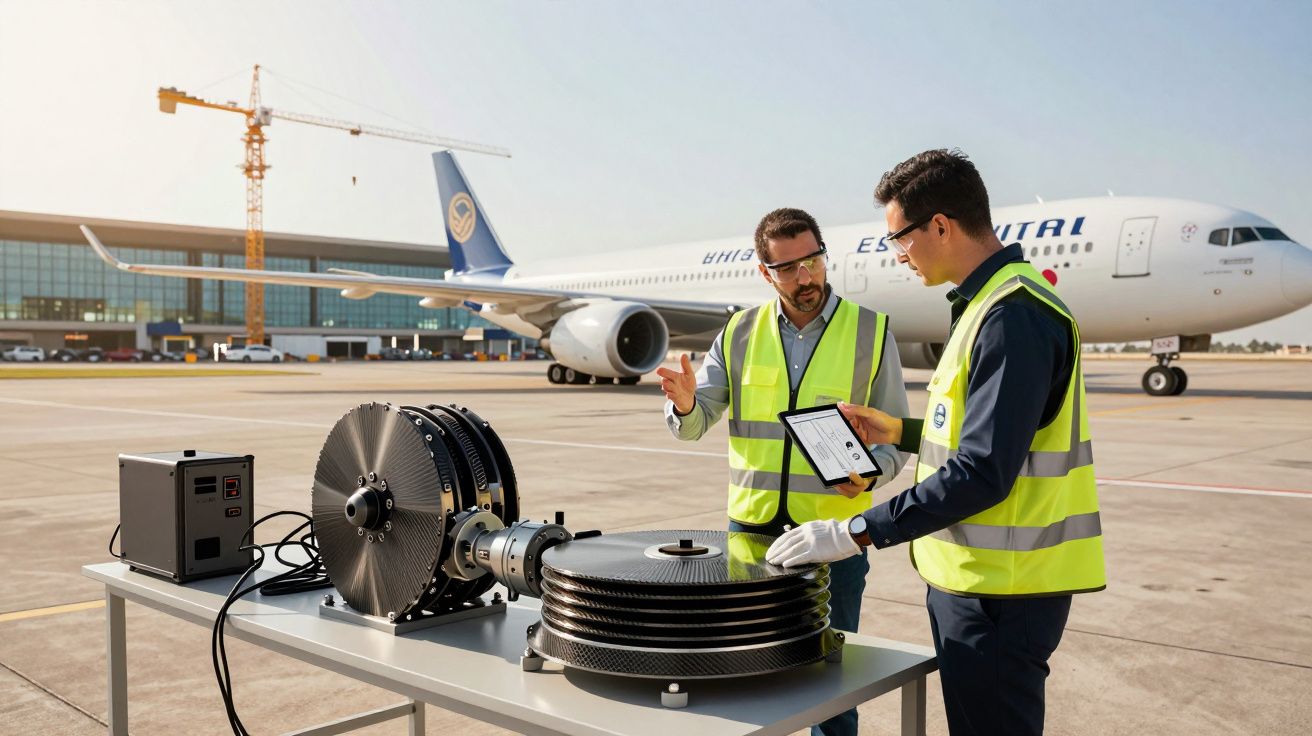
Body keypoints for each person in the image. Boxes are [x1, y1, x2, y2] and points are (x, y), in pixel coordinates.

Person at [766, 150, 1106, 736]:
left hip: (1002, 592)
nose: (897, 254)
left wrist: (853, 532)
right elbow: (992, 439)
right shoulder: (991, 305)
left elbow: (981, 470)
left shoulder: (1010, 316)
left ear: (941, 226)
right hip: (984, 584)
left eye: (899, 237)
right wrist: (898, 430)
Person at [658, 207, 909, 736]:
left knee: (833, 687)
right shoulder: (738, 332)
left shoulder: (871, 330)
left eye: (814, 260)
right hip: (751, 535)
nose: (806, 276)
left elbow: (894, 440)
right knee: (739, 678)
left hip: (834, 537)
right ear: (765, 273)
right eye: (789, 268)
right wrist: (683, 405)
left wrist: (870, 477)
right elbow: (697, 420)